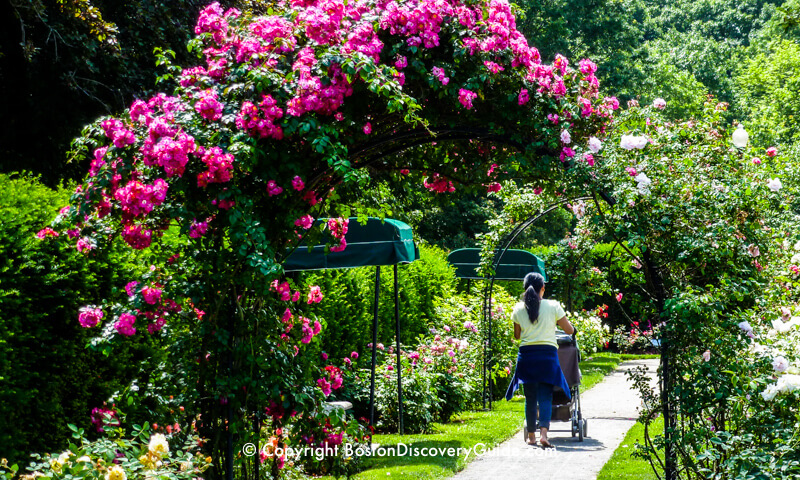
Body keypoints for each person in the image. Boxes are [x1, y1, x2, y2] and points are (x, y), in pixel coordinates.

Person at [504, 272, 574, 448]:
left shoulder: (518, 309)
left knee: (530, 397)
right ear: (543, 288)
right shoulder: (553, 306)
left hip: (527, 356)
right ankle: (544, 434)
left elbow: (517, 335)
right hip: (547, 356)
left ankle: (531, 437)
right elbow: (569, 330)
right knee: (545, 395)